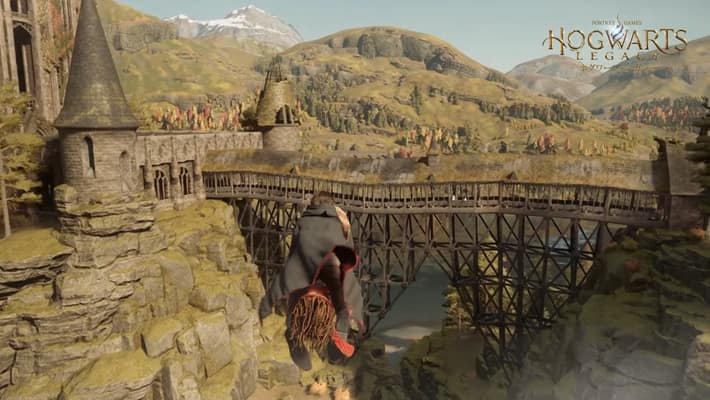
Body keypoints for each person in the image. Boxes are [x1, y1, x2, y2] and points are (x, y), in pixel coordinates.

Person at [258, 191, 364, 370]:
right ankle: (340, 336)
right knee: (345, 305)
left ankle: (293, 334)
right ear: (333, 206)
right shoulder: (342, 222)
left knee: (293, 294)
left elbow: (294, 250)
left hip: (306, 272)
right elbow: (349, 250)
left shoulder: (302, 221)